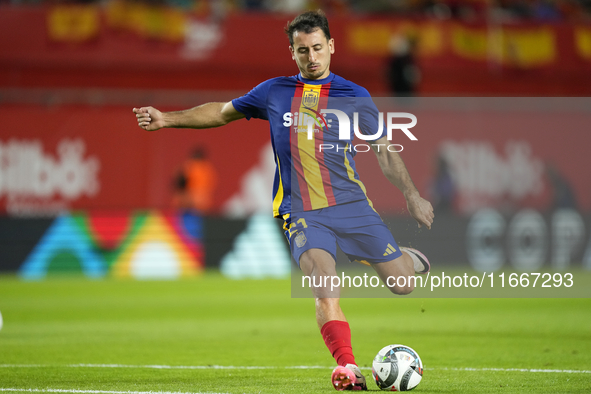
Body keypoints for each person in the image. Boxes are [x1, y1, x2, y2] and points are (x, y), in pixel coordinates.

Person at [133, 10, 434, 391]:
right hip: (302, 212)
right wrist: (168, 119)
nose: (312, 57)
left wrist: (411, 194)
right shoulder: (273, 91)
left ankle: (407, 259)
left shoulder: (355, 96)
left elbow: (385, 152)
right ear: (292, 52)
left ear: (332, 47)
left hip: (353, 207)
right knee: (324, 283)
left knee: (402, 283)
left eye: (318, 48)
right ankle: (347, 367)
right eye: (302, 50)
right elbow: (222, 112)